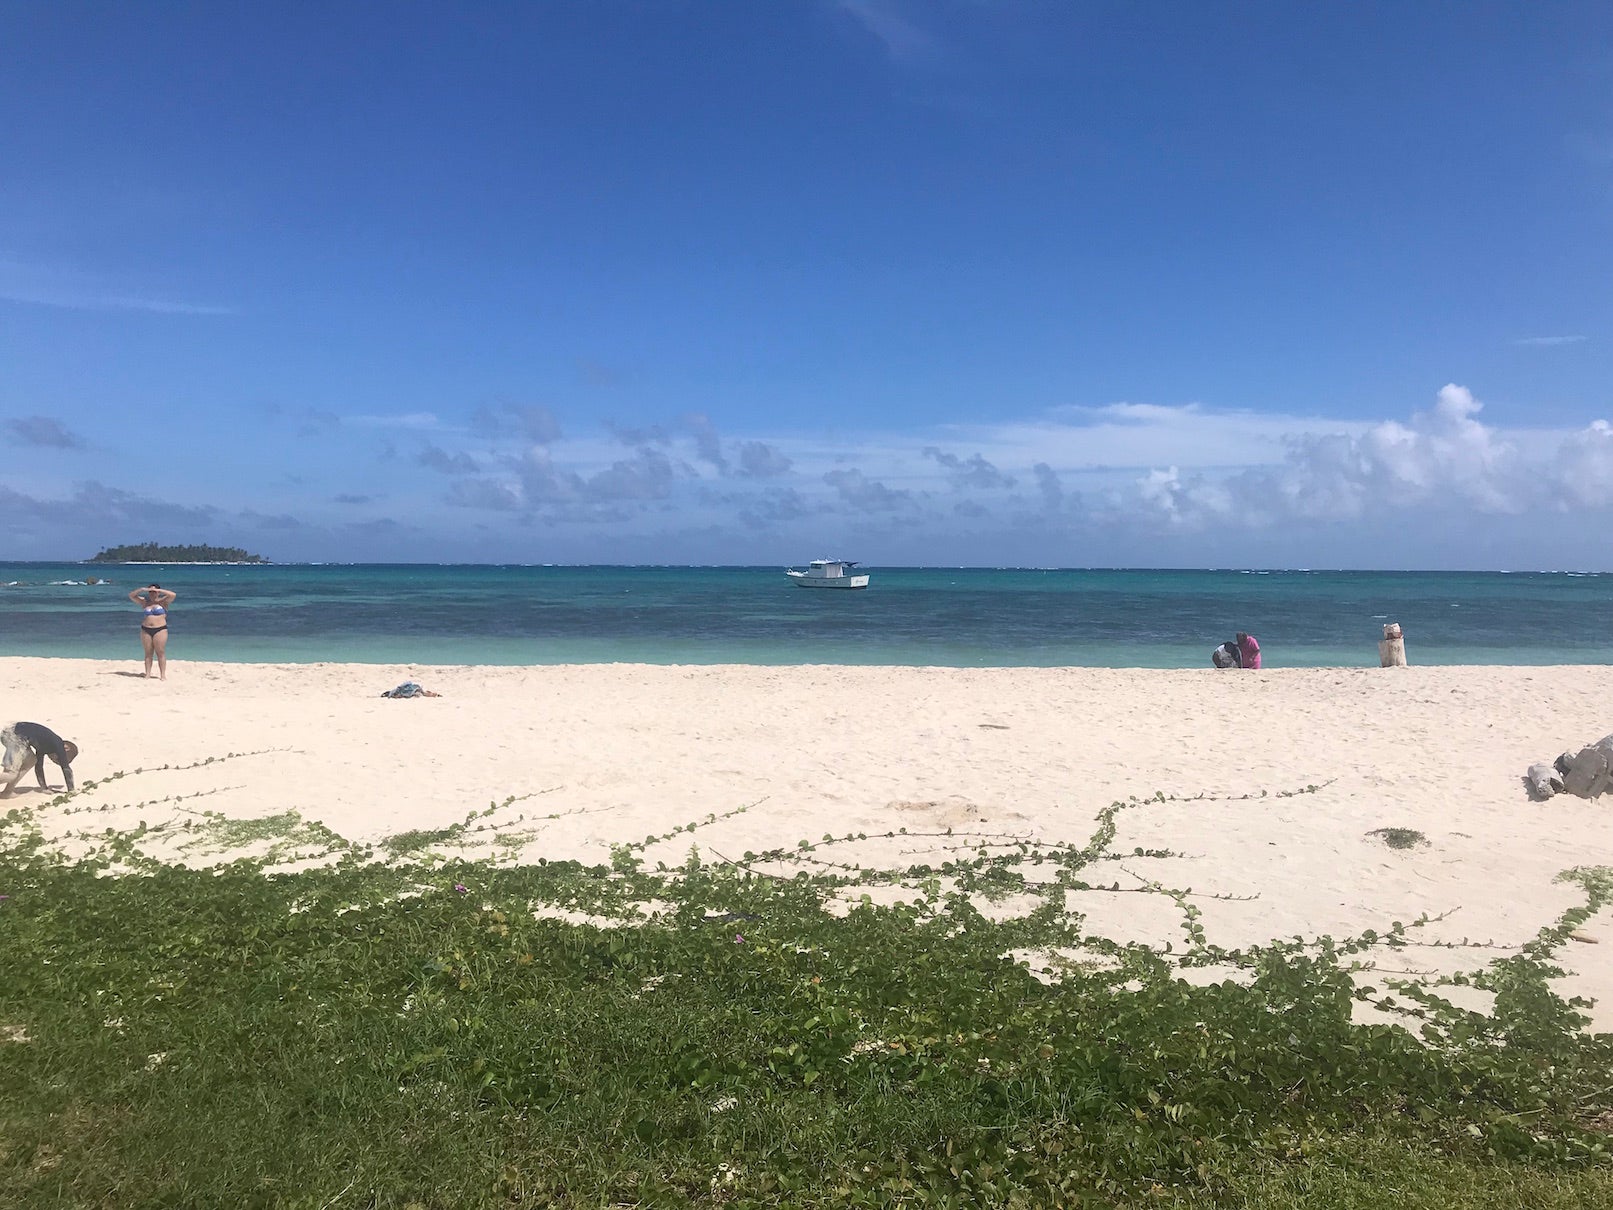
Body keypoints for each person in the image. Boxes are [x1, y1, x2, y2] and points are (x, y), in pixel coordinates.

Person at [0, 721, 78, 797]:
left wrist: (44, 788)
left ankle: (7, 792)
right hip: (14, 734)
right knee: (10, 774)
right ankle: (7, 790)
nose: (53, 760)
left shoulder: (44, 746)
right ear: (66, 748)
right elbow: (66, 769)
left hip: (15, 733)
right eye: (58, 759)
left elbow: (39, 768)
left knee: (31, 761)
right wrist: (71, 790)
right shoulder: (58, 743)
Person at [129, 583, 177, 679]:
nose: (152, 593)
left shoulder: (163, 601)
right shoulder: (145, 602)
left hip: (160, 629)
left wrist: (160, 590)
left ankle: (162, 675)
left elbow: (173, 595)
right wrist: (142, 589)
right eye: (150, 592)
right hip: (146, 629)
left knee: (160, 652)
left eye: (154, 592)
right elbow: (131, 596)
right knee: (148, 653)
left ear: (158, 592)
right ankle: (148, 674)